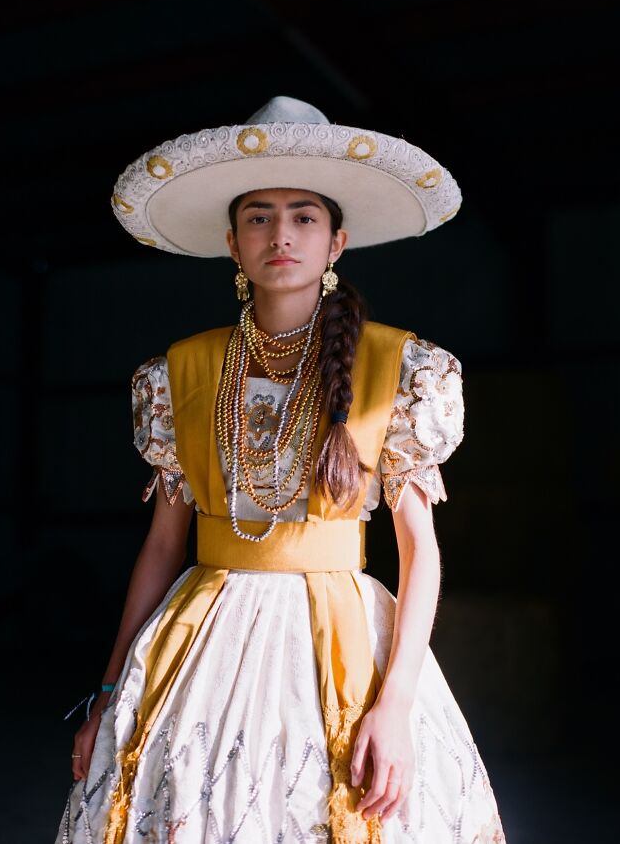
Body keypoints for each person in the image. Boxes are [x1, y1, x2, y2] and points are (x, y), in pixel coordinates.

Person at [55, 96, 506, 844]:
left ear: (337, 243)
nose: (281, 234)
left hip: (340, 644)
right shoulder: (181, 372)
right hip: (202, 640)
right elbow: (164, 545)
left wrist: (393, 707)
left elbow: (420, 551)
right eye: (260, 217)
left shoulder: (403, 367)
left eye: (303, 216)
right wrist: (107, 691)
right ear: (233, 243)